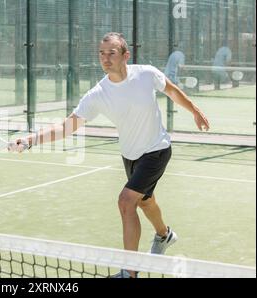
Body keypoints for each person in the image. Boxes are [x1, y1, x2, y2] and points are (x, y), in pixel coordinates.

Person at [11, 33, 210, 278]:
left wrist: (195, 110)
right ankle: (164, 235)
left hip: (157, 150)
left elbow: (172, 91)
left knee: (126, 201)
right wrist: (30, 140)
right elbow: (66, 127)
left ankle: (130, 272)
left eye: (111, 53)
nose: (105, 58)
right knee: (146, 202)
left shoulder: (146, 74)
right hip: (130, 155)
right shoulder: (98, 94)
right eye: (101, 53)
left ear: (126, 55)